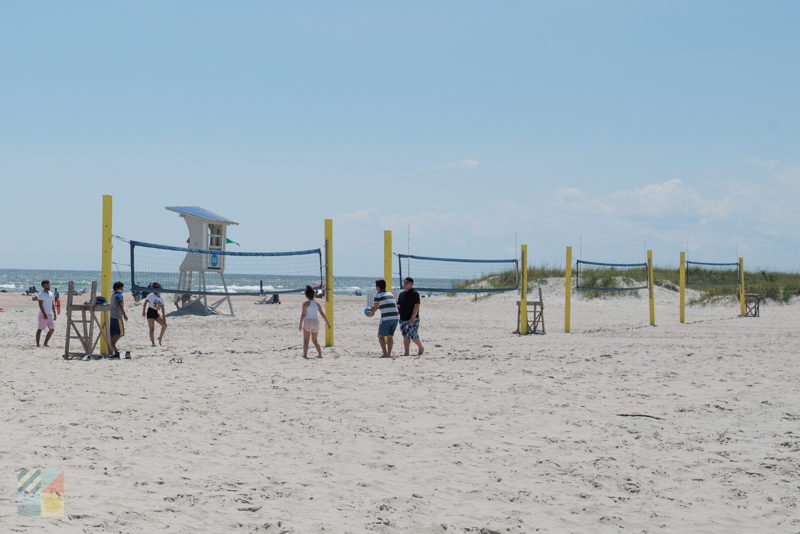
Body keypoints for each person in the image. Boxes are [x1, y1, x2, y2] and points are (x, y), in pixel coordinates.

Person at [365, 279, 400, 358]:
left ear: (378, 287)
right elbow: (387, 305)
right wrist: (375, 308)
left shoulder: (378, 295)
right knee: (390, 336)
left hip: (387, 318)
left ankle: (385, 354)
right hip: (396, 317)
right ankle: (389, 354)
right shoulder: (390, 294)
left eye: (376, 286)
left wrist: (371, 312)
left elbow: (375, 307)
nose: (375, 288)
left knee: (380, 336)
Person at [298, 285, 331, 359]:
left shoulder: (305, 303)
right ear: (313, 295)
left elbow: (303, 315)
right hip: (316, 322)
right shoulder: (317, 304)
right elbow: (322, 314)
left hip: (308, 321)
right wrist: (327, 323)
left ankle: (305, 355)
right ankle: (320, 355)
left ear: (306, 295)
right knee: (315, 340)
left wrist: (300, 324)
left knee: (306, 340)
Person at [398, 277, 425, 356]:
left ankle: (421, 347)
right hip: (402, 318)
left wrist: (412, 318)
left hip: (412, 318)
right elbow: (398, 306)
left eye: (407, 283)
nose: (405, 284)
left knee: (413, 336)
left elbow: (417, 306)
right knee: (405, 336)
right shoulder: (401, 294)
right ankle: (406, 353)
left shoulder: (415, 293)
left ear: (411, 284)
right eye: (404, 282)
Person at [142, 282, 167, 346]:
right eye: (159, 289)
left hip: (156, 313)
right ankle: (153, 343)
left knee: (165, 325)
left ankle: (160, 337)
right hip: (150, 311)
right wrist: (143, 311)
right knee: (152, 329)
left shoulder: (161, 298)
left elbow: (162, 308)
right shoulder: (151, 295)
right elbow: (145, 303)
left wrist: (164, 316)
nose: (160, 291)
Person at [109, 281, 129, 358]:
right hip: (117, 317)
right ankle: (112, 344)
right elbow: (120, 305)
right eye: (121, 288)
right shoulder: (118, 295)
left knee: (113, 333)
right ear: (118, 288)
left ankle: (113, 346)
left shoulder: (113, 294)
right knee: (121, 333)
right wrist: (124, 315)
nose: (122, 289)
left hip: (111, 316)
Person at [35, 280, 57, 347]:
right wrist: (44, 314)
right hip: (43, 314)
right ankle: (38, 344)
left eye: (49, 284)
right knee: (40, 329)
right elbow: (40, 305)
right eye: (47, 285)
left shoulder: (51, 293)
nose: (48, 286)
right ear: (43, 286)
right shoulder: (41, 294)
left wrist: (55, 314)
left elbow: (52, 304)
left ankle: (45, 343)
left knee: (52, 329)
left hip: (50, 314)